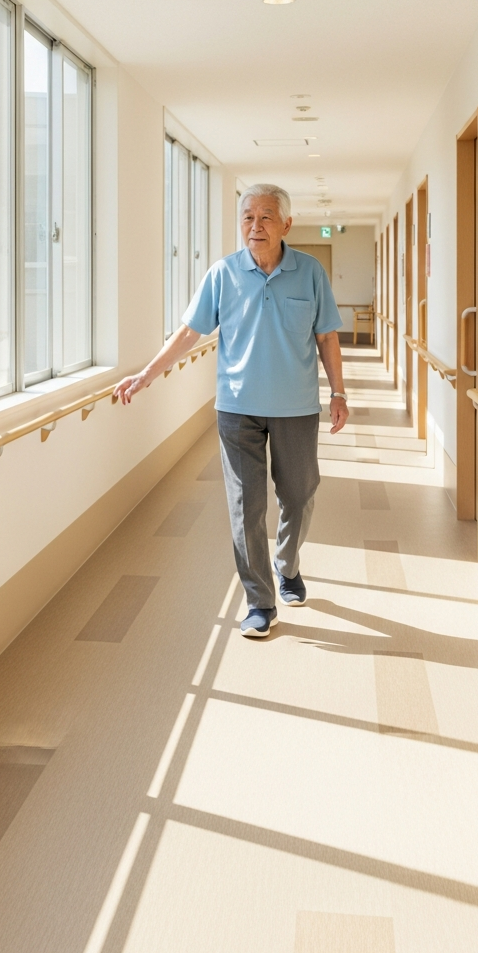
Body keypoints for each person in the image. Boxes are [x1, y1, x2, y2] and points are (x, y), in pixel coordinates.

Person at [114, 184, 348, 637]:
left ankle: (287, 563)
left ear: (286, 224)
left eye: (264, 217)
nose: (254, 226)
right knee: (246, 506)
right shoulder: (222, 274)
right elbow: (188, 334)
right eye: (246, 217)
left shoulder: (311, 272)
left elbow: (326, 338)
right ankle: (260, 601)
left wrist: (338, 393)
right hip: (237, 408)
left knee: (298, 496)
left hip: (296, 408)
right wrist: (146, 375)